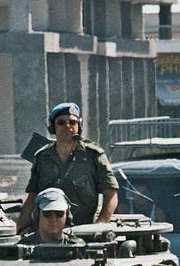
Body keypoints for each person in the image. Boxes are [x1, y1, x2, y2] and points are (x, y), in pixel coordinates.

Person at [17, 102, 118, 232]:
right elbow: (32, 197)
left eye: (72, 122)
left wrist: (99, 226)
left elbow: (111, 195)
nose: (67, 126)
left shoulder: (94, 156)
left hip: (83, 232)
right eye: (61, 122)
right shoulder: (42, 157)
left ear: (79, 126)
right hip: (48, 234)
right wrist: (20, 228)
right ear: (53, 127)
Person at [19, 188, 85, 245]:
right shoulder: (23, 247)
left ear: (67, 216)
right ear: (37, 215)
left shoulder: (77, 246)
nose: (53, 219)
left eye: (59, 214)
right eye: (47, 213)